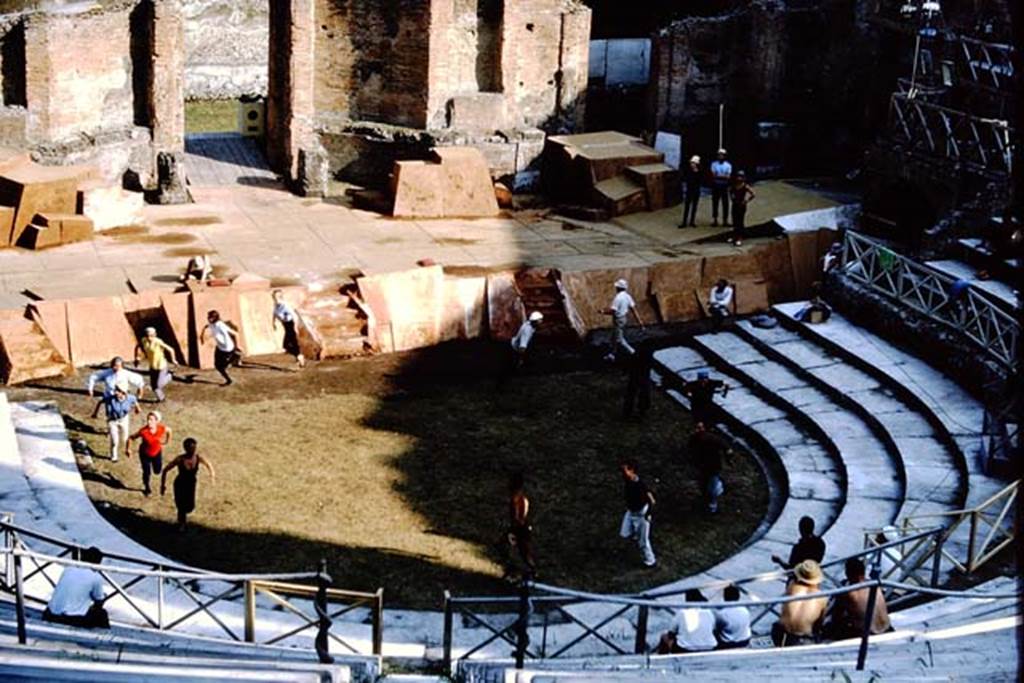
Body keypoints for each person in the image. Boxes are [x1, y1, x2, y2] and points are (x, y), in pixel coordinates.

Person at [824, 558, 892, 640]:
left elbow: (836, 617)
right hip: (888, 628)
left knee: (834, 627)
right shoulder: (875, 586)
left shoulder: (849, 593)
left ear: (847, 573)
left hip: (870, 633)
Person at [43, 546, 109, 628]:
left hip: (49, 614)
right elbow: (99, 601)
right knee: (102, 614)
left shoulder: (68, 569)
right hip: (70, 619)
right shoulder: (95, 577)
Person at [161, 438, 215, 532]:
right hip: (180, 484)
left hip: (191, 485)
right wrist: (162, 485)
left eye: (194, 448)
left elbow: (208, 464)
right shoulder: (180, 459)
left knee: (190, 507)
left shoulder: (198, 458)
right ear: (185, 448)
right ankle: (182, 524)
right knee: (181, 506)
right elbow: (165, 470)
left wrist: (212, 476)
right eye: (190, 448)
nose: (193, 450)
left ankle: (182, 517)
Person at [772, 560, 828, 647]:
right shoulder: (822, 598)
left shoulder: (791, 586)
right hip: (802, 639)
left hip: (780, 633)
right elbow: (819, 623)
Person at [619, 460, 656, 568]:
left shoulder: (639, 485)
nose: (622, 472)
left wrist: (648, 515)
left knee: (643, 542)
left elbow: (651, 500)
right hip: (631, 512)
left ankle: (650, 561)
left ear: (632, 470)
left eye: (625, 470)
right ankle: (636, 533)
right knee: (624, 533)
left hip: (641, 515)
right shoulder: (628, 480)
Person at [687, 422, 732, 513]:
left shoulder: (712, 439)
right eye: (696, 428)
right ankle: (706, 500)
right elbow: (690, 450)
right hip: (702, 466)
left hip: (713, 466)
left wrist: (728, 457)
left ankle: (712, 504)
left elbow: (726, 447)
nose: (697, 430)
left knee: (711, 486)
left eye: (700, 428)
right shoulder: (694, 439)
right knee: (703, 484)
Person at [656, 589, 717, 653]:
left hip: (685, 649)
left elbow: (671, 633)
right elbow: (713, 629)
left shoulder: (682, 613)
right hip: (709, 647)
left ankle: (661, 660)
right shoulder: (708, 612)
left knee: (664, 636)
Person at [91, 384, 140, 462]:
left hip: (124, 419)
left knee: (125, 438)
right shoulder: (110, 399)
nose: (116, 392)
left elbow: (135, 402)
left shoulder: (130, 398)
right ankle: (114, 456)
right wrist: (95, 413)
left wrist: (137, 408)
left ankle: (127, 450)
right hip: (112, 420)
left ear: (123, 393)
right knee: (114, 440)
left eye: (118, 391)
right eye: (116, 390)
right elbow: (100, 402)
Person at [127, 411, 171, 496]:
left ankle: (154, 472)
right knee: (146, 472)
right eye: (148, 419)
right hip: (145, 454)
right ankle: (147, 488)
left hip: (157, 452)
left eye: (151, 420)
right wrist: (128, 449)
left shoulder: (161, 428)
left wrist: (167, 441)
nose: (149, 422)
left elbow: (169, 430)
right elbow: (131, 438)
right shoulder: (143, 431)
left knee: (157, 471)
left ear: (157, 421)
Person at [502, 472, 536, 581]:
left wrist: (512, 532)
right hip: (524, 529)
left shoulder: (515, 500)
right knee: (524, 552)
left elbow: (516, 518)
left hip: (519, 530)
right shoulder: (523, 499)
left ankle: (517, 571)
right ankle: (529, 571)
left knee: (518, 552)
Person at [134, 327, 181, 402]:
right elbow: (137, 346)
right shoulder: (144, 340)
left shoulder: (158, 342)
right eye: (147, 336)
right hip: (152, 366)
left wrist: (173, 360)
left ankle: (169, 376)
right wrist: (137, 357)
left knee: (158, 385)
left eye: (151, 336)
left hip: (161, 366)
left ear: (155, 335)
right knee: (154, 386)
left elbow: (171, 349)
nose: (149, 338)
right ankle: (161, 398)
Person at [603, 279, 644, 361]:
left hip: (618, 320)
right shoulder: (628, 296)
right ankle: (612, 355)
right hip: (624, 319)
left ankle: (633, 352)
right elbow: (634, 309)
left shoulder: (618, 298)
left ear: (618, 288)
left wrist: (603, 312)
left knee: (619, 339)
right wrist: (640, 322)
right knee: (614, 337)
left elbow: (613, 311)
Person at [502, 311, 543, 386]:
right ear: (535, 322)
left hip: (513, 344)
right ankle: (504, 385)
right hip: (514, 349)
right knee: (510, 367)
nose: (541, 322)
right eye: (540, 320)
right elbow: (522, 348)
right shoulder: (527, 331)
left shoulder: (529, 324)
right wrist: (520, 359)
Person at [200, 310, 241, 386]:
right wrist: (201, 336)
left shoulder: (220, 325)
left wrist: (238, 346)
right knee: (218, 366)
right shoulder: (211, 324)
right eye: (208, 317)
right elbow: (206, 326)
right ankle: (229, 380)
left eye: (210, 317)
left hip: (227, 349)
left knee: (223, 365)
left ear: (215, 318)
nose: (208, 318)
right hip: (219, 347)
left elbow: (235, 334)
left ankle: (235, 356)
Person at [272, 289, 306, 369]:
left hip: (290, 325)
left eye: (276, 296)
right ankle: (299, 357)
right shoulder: (276, 305)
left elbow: (294, 316)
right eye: (274, 296)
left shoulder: (285, 305)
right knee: (289, 345)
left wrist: (295, 326)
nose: (274, 298)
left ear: (280, 297)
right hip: (286, 326)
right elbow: (274, 313)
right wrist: (273, 323)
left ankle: (300, 357)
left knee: (289, 344)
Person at [622, 340, 654, 418]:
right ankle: (641, 410)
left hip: (636, 376)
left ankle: (629, 411)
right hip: (642, 376)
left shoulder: (636, 355)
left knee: (632, 393)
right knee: (642, 393)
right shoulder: (647, 356)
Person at [714, 584, 751, 649]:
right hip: (745, 640)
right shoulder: (745, 610)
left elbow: (716, 628)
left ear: (725, 597)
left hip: (729, 644)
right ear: (738, 596)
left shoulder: (722, 613)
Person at [728, 171, 755, 246]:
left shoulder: (745, 186)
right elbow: (730, 191)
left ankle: (739, 237)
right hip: (735, 204)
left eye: (740, 177)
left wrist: (746, 200)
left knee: (740, 221)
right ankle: (734, 236)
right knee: (734, 221)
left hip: (741, 205)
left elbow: (753, 194)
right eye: (738, 176)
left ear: (743, 178)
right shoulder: (734, 185)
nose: (739, 178)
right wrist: (732, 197)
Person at [709, 149, 732, 227]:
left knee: (725, 203)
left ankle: (725, 220)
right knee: (715, 203)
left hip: (724, 186)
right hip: (716, 186)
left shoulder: (728, 165)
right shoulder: (714, 164)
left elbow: (728, 177)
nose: (720, 156)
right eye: (719, 155)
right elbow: (713, 175)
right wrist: (723, 176)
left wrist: (719, 176)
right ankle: (715, 219)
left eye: (722, 155)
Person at [679, 155, 702, 228]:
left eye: (693, 163)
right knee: (687, 206)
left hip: (696, 190)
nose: (692, 164)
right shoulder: (688, 171)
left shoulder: (699, 172)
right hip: (690, 190)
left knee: (694, 206)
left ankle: (692, 221)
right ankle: (684, 221)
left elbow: (700, 180)